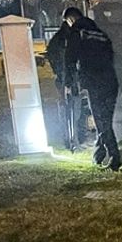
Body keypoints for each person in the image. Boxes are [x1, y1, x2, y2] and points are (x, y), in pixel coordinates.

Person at [61, 7, 120, 170]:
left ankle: (115, 156)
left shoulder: (77, 31)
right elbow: (110, 56)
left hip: (95, 81)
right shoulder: (101, 33)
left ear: (71, 19)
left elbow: (70, 58)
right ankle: (98, 154)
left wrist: (69, 83)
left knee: (102, 121)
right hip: (110, 80)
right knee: (105, 119)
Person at [45, 14, 87, 150]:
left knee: (71, 109)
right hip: (69, 79)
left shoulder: (61, 38)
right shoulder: (67, 38)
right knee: (73, 109)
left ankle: (72, 139)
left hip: (67, 78)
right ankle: (72, 139)